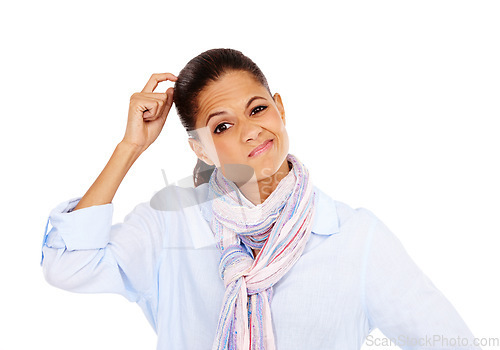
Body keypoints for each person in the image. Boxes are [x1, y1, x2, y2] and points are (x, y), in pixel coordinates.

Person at [40, 48, 481, 350]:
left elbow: (444, 339)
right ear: (200, 148)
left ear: (280, 109)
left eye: (257, 109)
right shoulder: (170, 224)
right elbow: (67, 264)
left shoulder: (353, 237)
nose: (250, 130)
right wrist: (129, 148)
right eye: (221, 126)